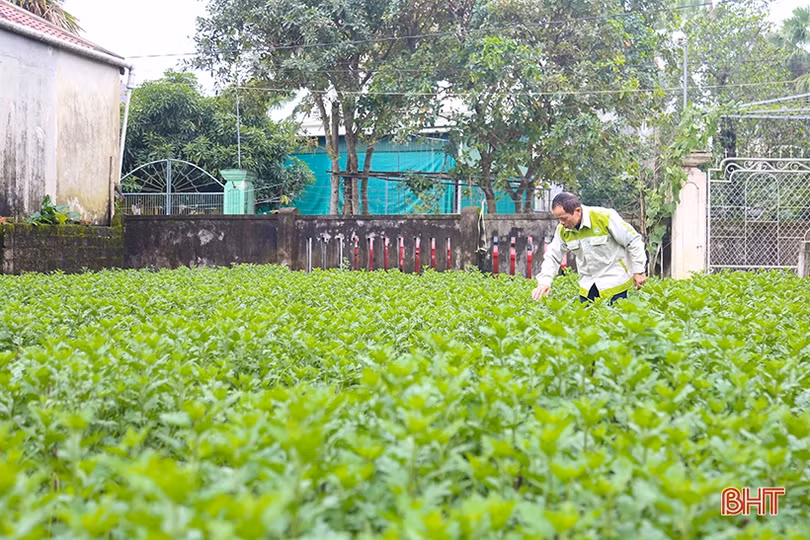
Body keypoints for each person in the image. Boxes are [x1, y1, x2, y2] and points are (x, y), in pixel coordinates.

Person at [532, 192, 647, 304]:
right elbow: (553, 256)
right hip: (587, 286)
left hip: (615, 283)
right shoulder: (563, 230)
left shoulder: (604, 217)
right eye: (558, 219)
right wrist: (544, 282)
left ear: (578, 211)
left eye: (564, 218)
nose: (561, 223)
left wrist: (638, 270)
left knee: (615, 322)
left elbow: (633, 240)